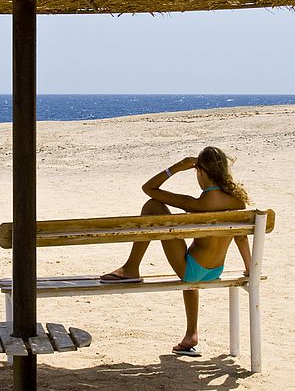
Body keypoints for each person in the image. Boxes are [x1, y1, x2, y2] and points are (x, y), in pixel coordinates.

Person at [101, 146, 252, 356]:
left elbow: (149, 189)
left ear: (200, 172)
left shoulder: (199, 203)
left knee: (152, 206)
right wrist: (249, 269)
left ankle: (131, 267)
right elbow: (241, 237)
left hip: (192, 271)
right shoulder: (237, 202)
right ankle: (191, 334)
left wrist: (176, 168)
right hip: (216, 269)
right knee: (191, 255)